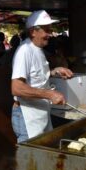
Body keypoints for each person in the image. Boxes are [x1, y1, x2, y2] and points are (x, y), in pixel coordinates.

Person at [11, 10, 73, 143]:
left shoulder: (37, 49)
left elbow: (35, 76)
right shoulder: (24, 51)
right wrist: (49, 94)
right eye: (46, 30)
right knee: (30, 159)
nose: (50, 34)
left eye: (50, 30)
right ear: (33, 31)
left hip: (39, 113)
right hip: (27, 116)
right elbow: (17, 88)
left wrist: (54, 71)